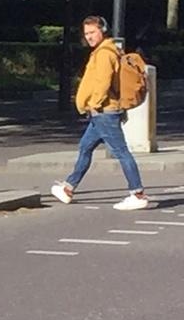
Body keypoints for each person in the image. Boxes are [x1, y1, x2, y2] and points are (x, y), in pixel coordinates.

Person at [51, 15, 149, 210]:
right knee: (85, 147)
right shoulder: (106, 50)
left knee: (121, 152)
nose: (89, 37)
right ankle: (68, 188)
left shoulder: (105, 53)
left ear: (103, 31)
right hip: (101, 113)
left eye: (92, 32)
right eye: (86, 33)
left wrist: (94, 103)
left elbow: (103, 82)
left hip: (104, 112)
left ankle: (137, 194)